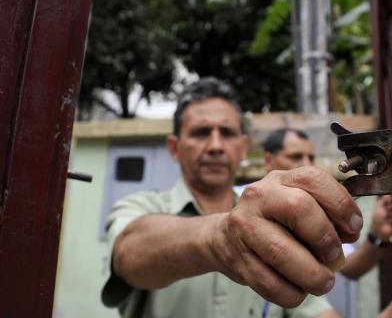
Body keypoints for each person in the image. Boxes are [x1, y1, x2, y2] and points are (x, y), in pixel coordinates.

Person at [101, 77, 363, 318]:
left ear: (243, 147)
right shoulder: (141, 207)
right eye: (201, 132)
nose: (215, 146)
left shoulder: (276, 223)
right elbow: (128, 253)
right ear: (174, 147)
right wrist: (218, 238)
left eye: (226, 133)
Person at [252, 128, 392, 317]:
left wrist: (377, 235)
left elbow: (349, 267)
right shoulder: (243, 207)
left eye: (311, 158)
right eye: (295, 156)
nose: (307, 165)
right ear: (268, 161)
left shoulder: (310, 213)